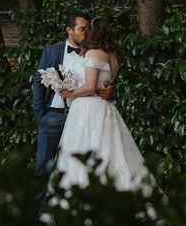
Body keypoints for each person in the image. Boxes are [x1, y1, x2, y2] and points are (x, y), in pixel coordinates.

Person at [56, 17, 151, 193]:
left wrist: (69, 93)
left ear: (92, 33)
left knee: (87, 151)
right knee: (114, 152)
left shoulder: (92, 53)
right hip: (104, 108)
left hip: (88, 109)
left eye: (86, 30)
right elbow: (103, 82)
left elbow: (91, 86)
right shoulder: (112, 57)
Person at [33, 12, 114, 183]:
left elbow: (100, 79)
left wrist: (111, 89)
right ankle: (39, 209)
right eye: (82, 29)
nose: (86, 33)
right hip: (54, 116)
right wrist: (41, 116)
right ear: (69, 30)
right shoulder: (51, 51)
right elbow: (39, 82)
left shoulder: (93, 52)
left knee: (77, 167)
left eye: (88, 29)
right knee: (43, 167)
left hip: (84, 118)